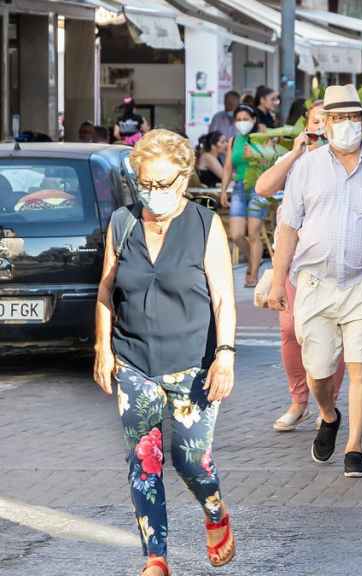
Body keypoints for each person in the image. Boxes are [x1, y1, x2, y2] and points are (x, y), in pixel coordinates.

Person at [93, 129, 237, 576]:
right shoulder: (123, 222)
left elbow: (222, 299)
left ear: (184, 177)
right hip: (134, 361)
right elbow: (105, 288)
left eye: (164, 184)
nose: (154, 193)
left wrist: (226, 354)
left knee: (190, 459)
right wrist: (102, 346)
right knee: (145, 458)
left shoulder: (204, 224)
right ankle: (155, 557)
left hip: (193, 362)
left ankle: (214, 511)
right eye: (146, 184)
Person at [268, 85, 362, 478]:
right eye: (338, 118)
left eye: (353, 117)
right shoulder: (307, 166)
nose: (347, 125)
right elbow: (288, 226)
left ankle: (355, 447)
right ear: (327, 123)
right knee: (318, 372)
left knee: (360, 366)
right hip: (314, 283)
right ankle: (328, 414)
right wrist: (276, 281)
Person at [253, 101, 345, 432]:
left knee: (333, 337)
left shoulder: (345, 161)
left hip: (331, 262)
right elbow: (263, 188)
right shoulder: (296, 160)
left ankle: (328, 403)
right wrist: (295, 154)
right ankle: (298, 400)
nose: (320, 128)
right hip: (292, 262)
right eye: (315, 122)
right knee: (290, 330)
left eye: (327, 122)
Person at [219, 104, 270, 288]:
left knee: (254, 232)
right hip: (240, 187)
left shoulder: (262, 137)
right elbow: (228, 167)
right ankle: (253, 260)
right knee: (236, 234)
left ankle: (253, 272)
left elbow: (271, 161)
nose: (242, 123)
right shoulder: (234, 141)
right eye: (238, 120)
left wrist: (257, 155)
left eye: (245, 119)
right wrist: (224, 190)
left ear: (254, 120)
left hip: (259, 186)